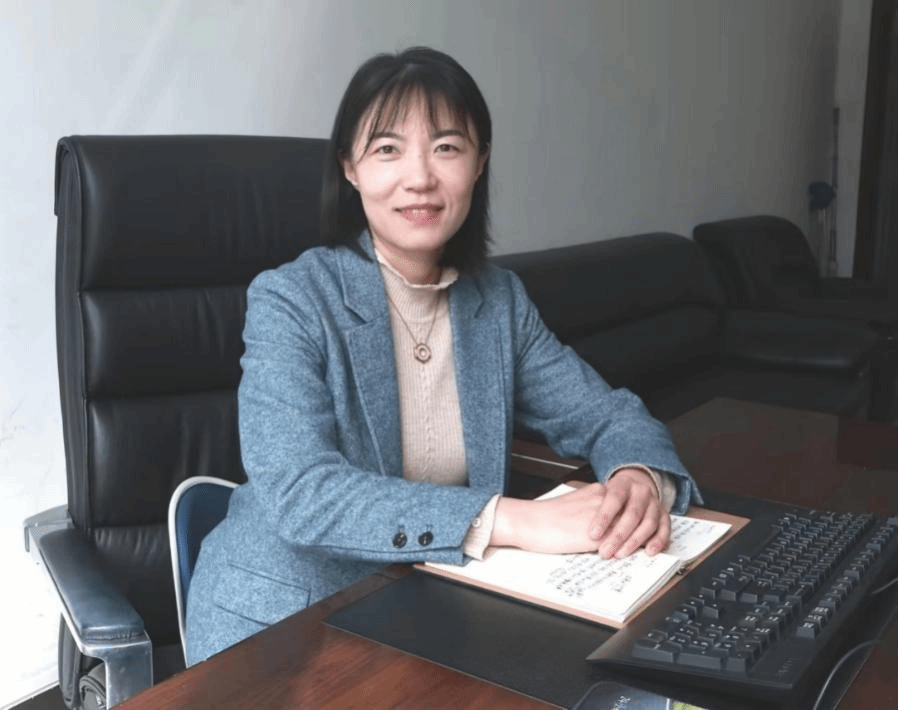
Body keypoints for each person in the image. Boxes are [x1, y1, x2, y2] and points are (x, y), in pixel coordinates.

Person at [185, 46, 701, 665]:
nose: (420, 178)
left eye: (447, 147)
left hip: (430, 614)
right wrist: (511, 520)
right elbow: (303, 494)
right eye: (387, 149)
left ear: (479, 163)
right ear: (350, 168)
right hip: (285, 624)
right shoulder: (292, 299)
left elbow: (606, 414)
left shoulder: (497, 302)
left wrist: (637, 478)